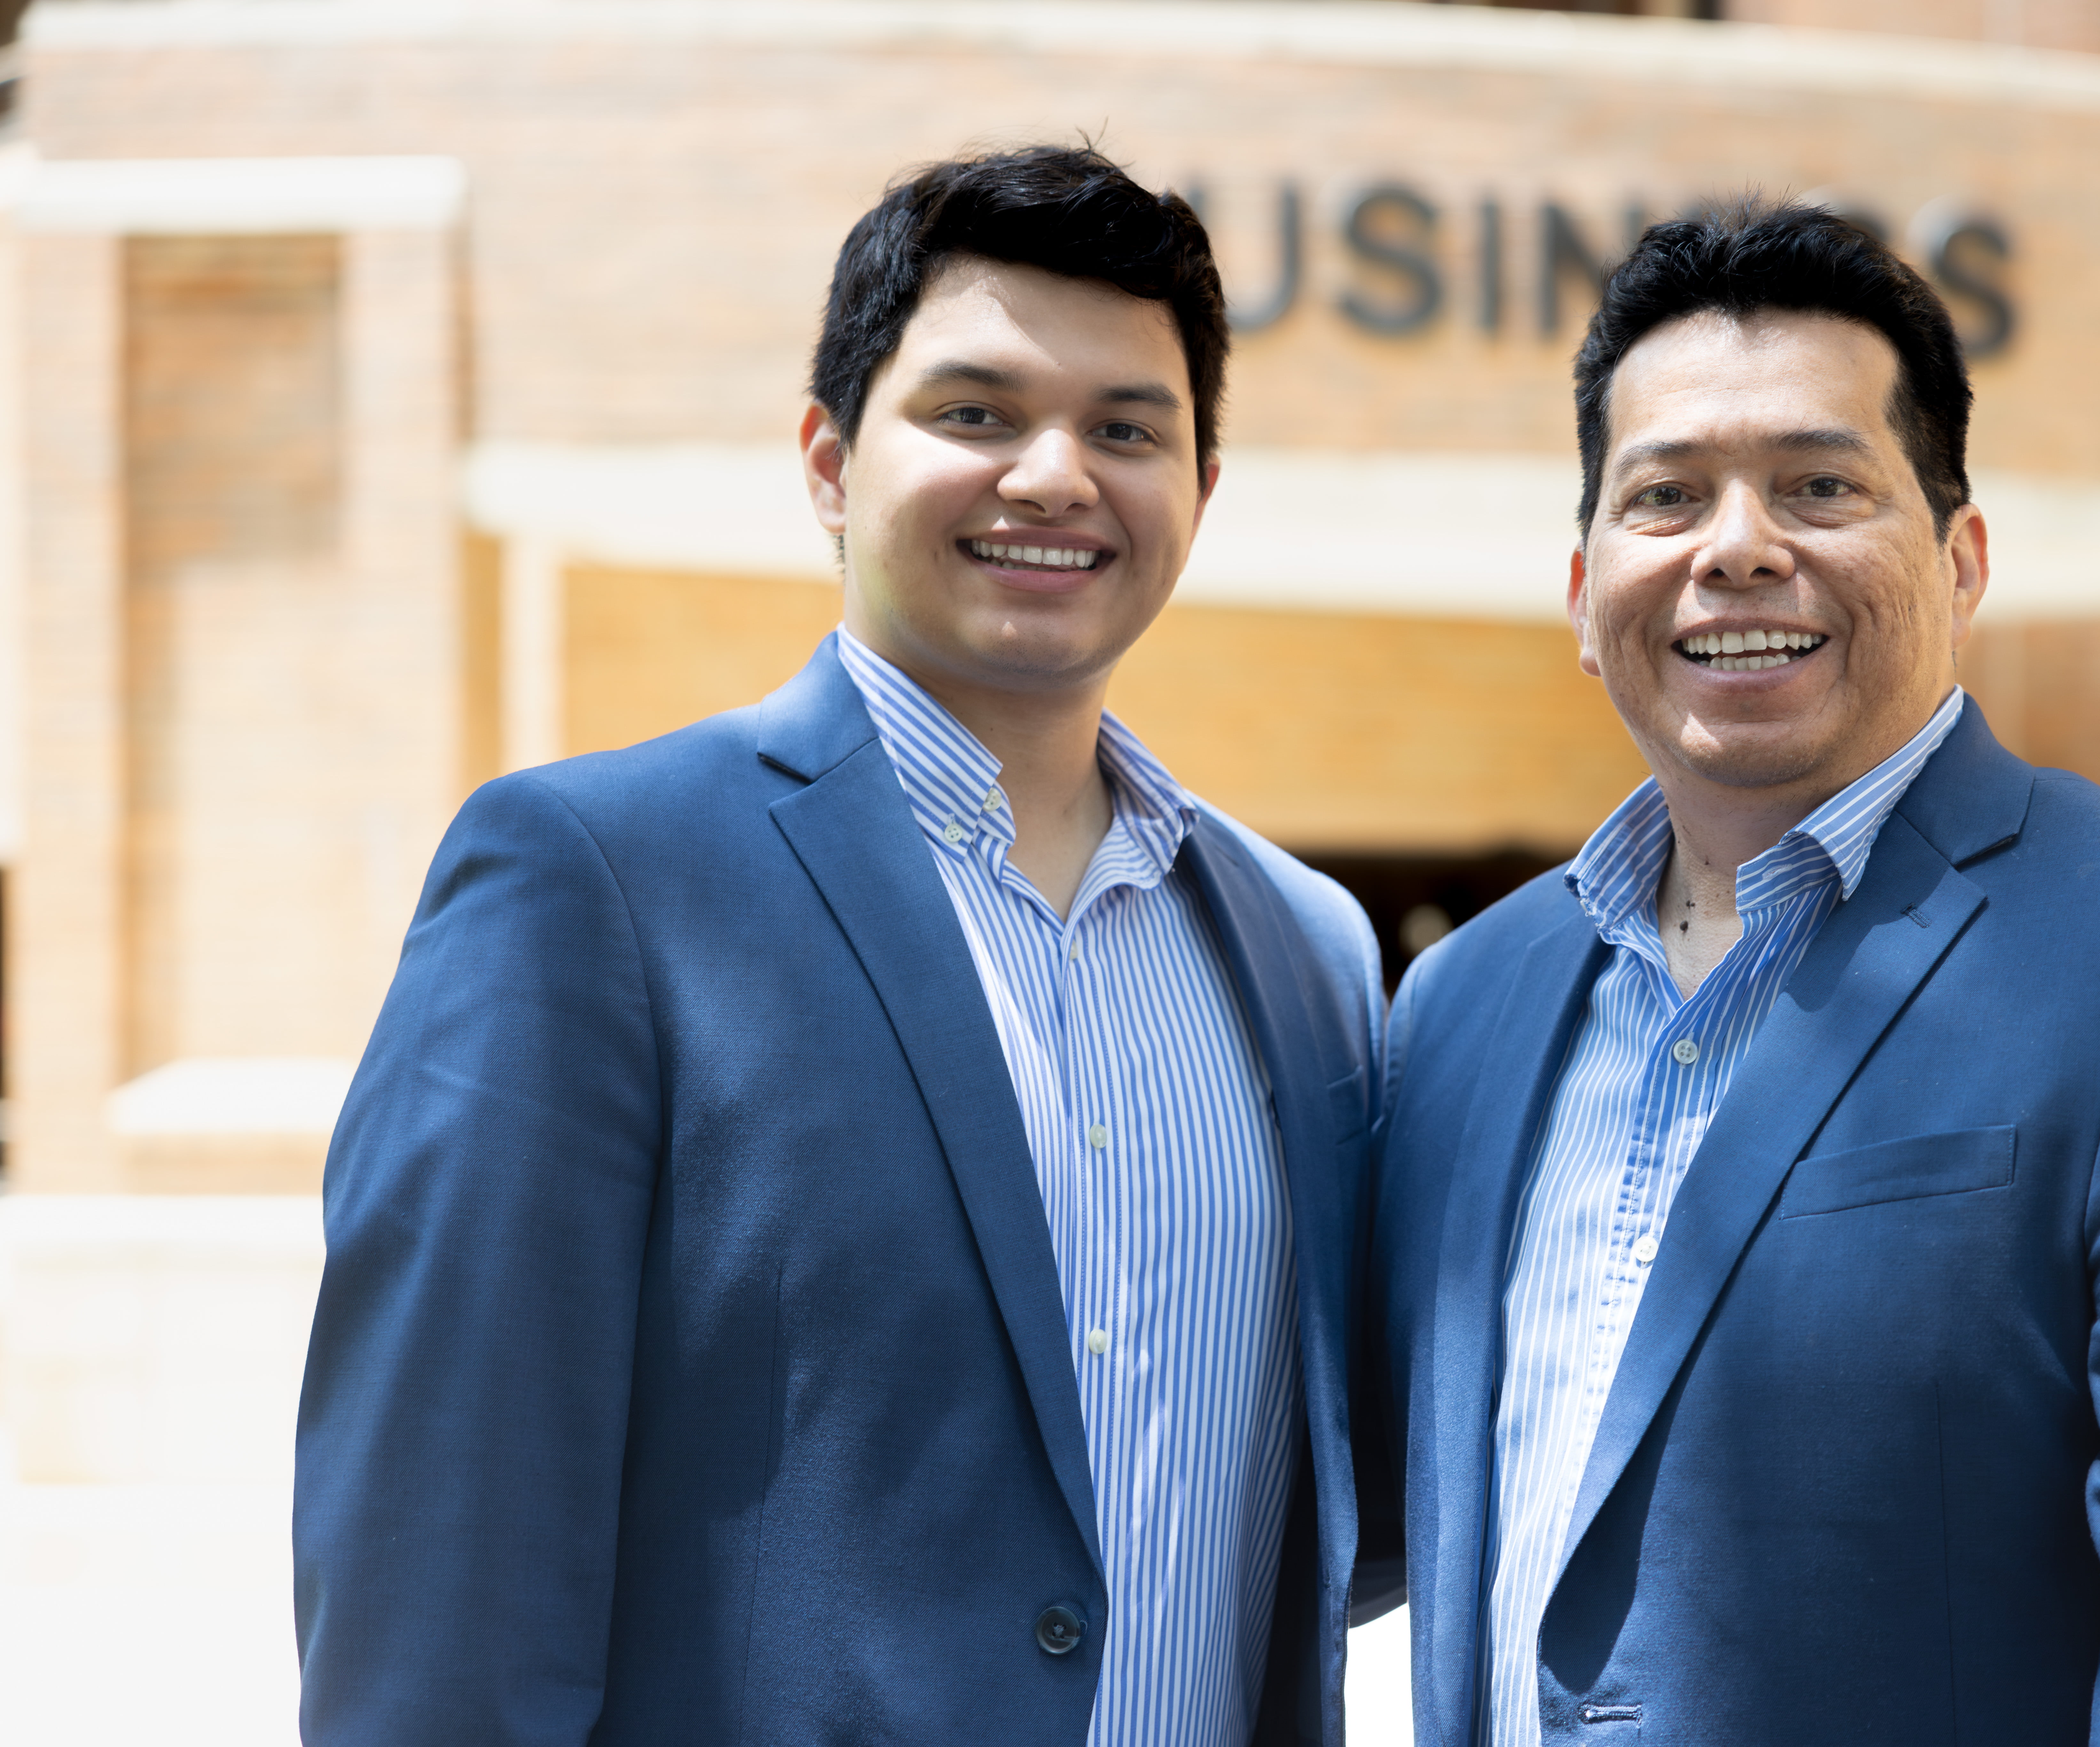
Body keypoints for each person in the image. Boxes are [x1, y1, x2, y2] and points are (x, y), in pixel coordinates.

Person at [295, 145, 1383, 1747]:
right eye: (975, 413)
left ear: (1199, 498)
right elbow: (440, 1564)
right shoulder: (591, 880)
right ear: (827, 460)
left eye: (1127, 429)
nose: (1054, 474)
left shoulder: (1311, 956)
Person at [1360, 201, 2100, 1745]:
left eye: (1818, 485)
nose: (1736, 547)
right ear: (1580, 591)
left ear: (1959, 560)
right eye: (1664, 496)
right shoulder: (1463, 1003)